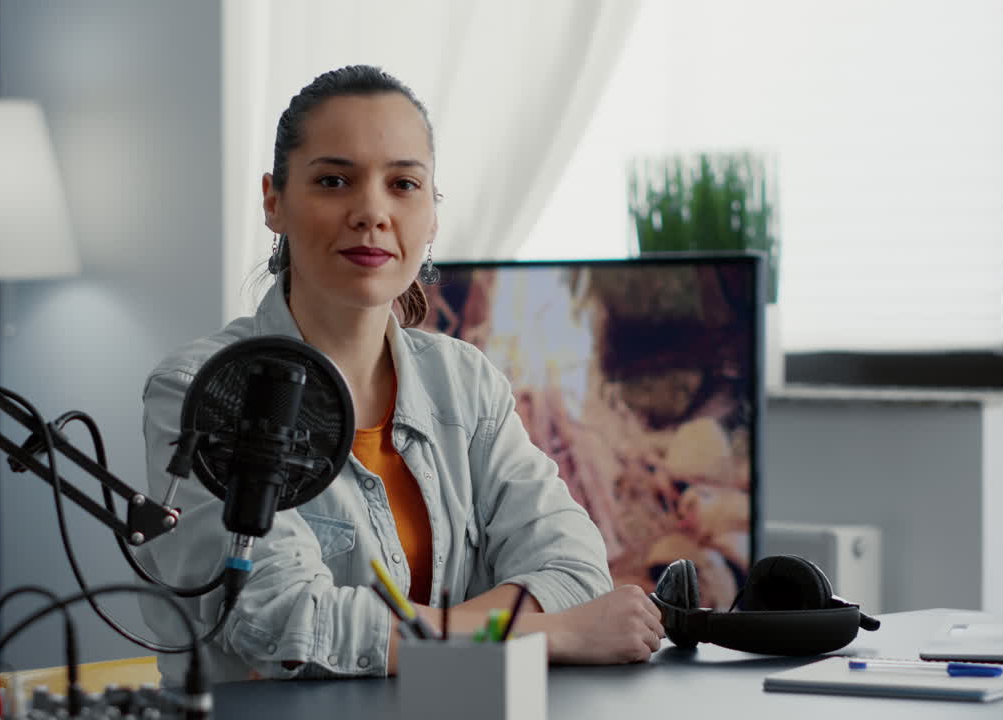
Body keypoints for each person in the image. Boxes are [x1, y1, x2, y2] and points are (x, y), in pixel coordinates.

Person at [138, 65, 663, 684]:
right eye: (334, 180)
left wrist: (438, 644)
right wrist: (555, 634)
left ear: (433, 214)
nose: (371, 212)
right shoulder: (200, 388)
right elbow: (284, 620)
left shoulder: (465, 383)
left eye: (404, 184)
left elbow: (574, 572)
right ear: (273, 201)